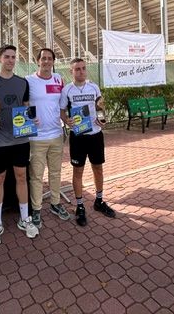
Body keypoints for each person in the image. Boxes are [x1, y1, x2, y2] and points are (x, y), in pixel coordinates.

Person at [0, 44, 39, 246]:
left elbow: (27, 107)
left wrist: (32, 120)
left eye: (13, 57)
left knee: (22, 177)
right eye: (7, 56)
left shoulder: (23, 83)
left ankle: (25, 219)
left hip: (21, 140)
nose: (11, 60)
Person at [60, 58, 116, 227]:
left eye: (83, 68)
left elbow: (100, 107)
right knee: (78, 172)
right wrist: (66, 121)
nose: (81, 71)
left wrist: (103, 119)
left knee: (98, 168)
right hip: (78, 136)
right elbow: (62, 111)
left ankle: (98, 201)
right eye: (77, 69)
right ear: (71, 71)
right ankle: (79, 206)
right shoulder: (67, 90)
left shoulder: (94, 87)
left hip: (95, 135)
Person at [26, 48, 71, 228]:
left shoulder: (59, 79)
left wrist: (67, 120)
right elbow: (23, 103)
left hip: (56, 135)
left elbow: (61, 106)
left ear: (53, 61)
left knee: (55, 172)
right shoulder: (28, 81)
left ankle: (54, 203)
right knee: (36, 175)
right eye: (43, 58)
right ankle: (36, 209)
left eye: (49, 58)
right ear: (37, 61)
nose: (46, 61)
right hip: (36, 138)